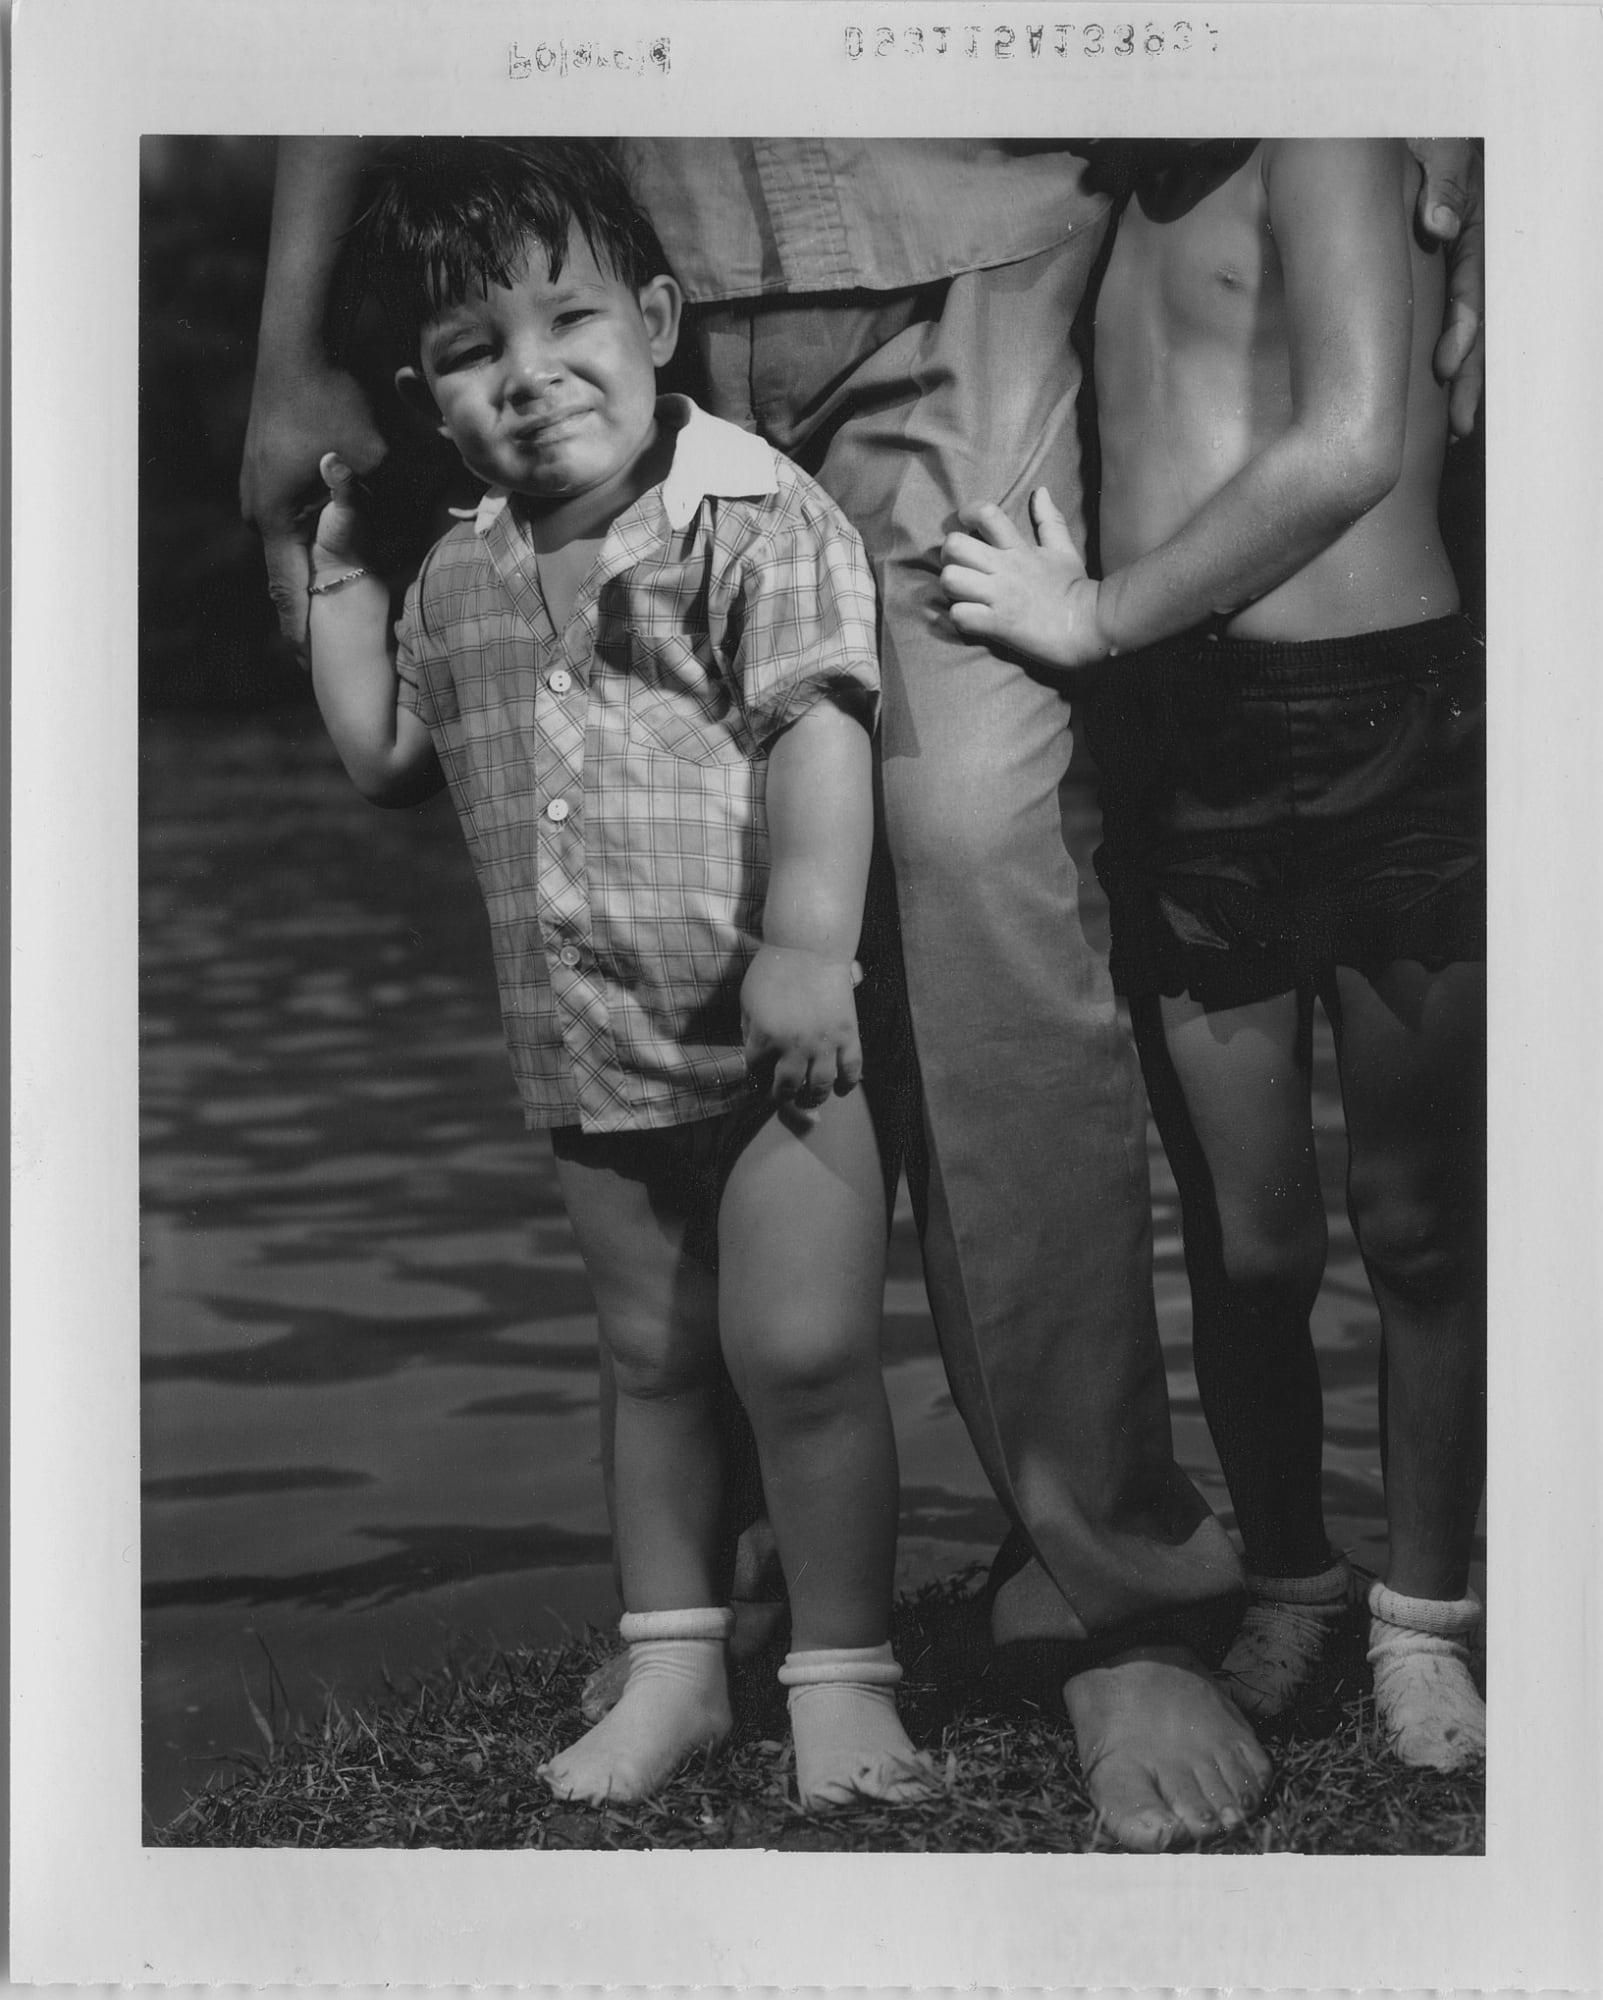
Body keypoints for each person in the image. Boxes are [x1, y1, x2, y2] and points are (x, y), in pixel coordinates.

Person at [242, 134, 1482, 1849]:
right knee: (673, 889)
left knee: (965, 837)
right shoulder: (504, 476)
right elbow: (401, 741)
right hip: (635, 202)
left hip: (967, 237)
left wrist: (1467, 108)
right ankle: (718, 1599)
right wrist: (292, 337)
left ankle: (1109, 1592)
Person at [304, 138, 936, 1810]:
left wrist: (810, 947)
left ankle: (844, 1679)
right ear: (427, 399)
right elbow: (385, 755)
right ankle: (673, 1671)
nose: (528, 376)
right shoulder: (460, 573)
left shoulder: (752, 515)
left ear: (656, 322)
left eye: (568, 320)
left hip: (775, 1045)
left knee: (801, 1358)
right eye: (472, 351)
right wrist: (337, 575)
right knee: (650, 1362)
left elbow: (817, 725)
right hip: (583, 1047)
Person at [939, 138, 1486, 1770]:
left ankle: (1425, 1616)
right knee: (1250, 1245)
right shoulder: (1084, 183)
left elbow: (1351, 443)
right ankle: (1293, 1577)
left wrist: (1099, 615)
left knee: (1419, 1226)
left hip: (1387, 725)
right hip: (1188, 752)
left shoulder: (1329, 119)